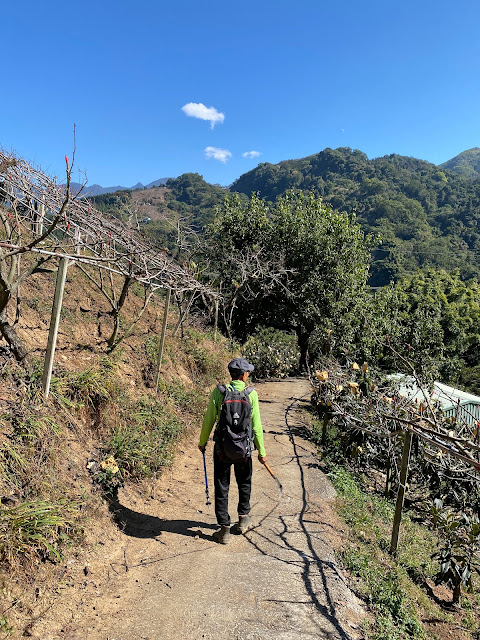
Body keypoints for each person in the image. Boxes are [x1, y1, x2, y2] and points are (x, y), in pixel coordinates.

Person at [198, 357, 267, 544]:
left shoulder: (219, 392)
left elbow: (209, 420)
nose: (249, 375)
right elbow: (256, 426)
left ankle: (224, 529)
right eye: (248, 372)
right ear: (244, 375)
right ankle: (243, 519)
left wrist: (202, 442)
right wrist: (261, 451)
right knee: (244, 482)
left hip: (222, 449)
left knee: (222, 486)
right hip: (244, 450)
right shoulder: (251, 394)